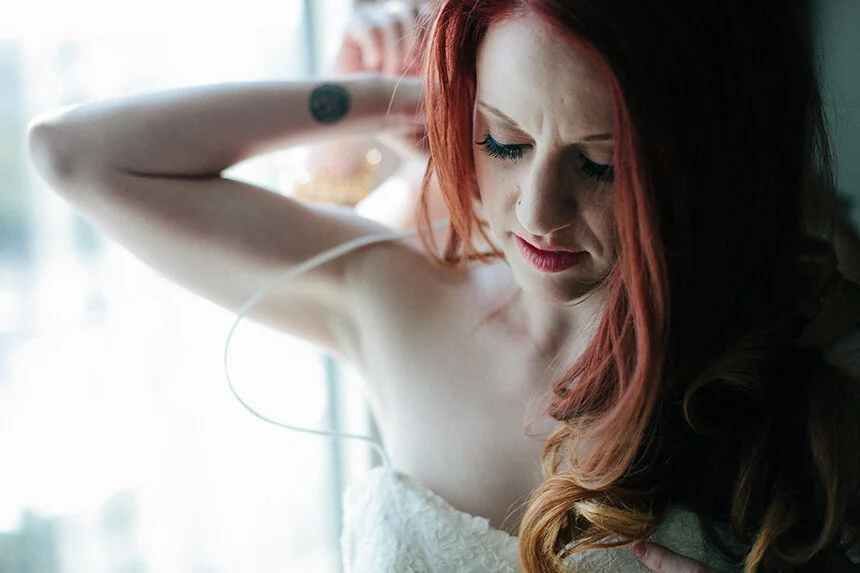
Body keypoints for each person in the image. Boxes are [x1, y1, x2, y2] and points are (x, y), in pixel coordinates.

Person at [26, 1, 860, 572]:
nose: (537, 211)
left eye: (600, 164)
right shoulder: (395, 293)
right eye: (504, 140)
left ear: (709, 162)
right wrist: (375, 95)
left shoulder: (817, 368)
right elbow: (74, 155)